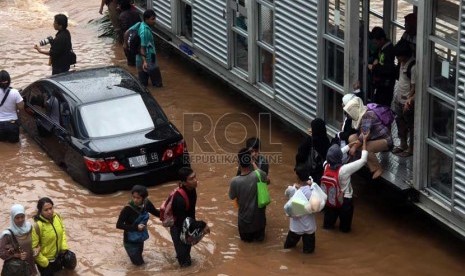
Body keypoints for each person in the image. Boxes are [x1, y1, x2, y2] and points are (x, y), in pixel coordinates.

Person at [323, 134, 368, 233]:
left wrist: (349, 145)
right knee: (345, 230)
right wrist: (364, 141)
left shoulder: (325, 165)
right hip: (345, 201)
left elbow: (337, 154)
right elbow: (363, 160)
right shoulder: (344, 170)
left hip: (330, 200)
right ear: (339, 157)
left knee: (327, 227)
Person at [344, 97, 392, 179]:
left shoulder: (367, 115)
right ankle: (363, 159)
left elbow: (364, 134)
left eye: (349, 113)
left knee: (366, 149)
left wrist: (354, 147)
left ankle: (377, 168)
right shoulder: (360, 115)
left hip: (384, 140)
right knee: (352, 138)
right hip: (373, 137)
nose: (348, 115)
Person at [229, 148, 267, 242]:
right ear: (250, 160)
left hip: (244, 223)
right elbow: (266, 180)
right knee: (260, 246)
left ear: (238, 162)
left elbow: (232, 196)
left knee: (246, 247)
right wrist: (253, 162)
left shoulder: (235, 181)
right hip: (260, 221)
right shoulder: (260, 175)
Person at [116, 185, 160, 266]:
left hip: (140, 239)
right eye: (134, 197)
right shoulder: (127, 209)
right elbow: (119, 225)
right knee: (140, 266)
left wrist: (167, 216)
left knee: (137, 262)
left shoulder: (146, 203)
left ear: (144, 198)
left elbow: (157, 213)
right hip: (130, 242)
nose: (135, 200)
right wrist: (136, 227)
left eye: (138, 198)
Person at [32, 197, 72, 276]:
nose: (49, 212)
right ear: (40, 211)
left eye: (51, 208)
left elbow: (62, 230)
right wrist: (44, 262)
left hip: (58, 257)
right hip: (46, 262)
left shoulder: (57, 216)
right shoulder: (37, 226)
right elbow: (33, 248)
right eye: (46, 210)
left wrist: (63, 247)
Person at [170, 167, 200, 267]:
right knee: (185, 264)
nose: (195, 180)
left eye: (195, 177)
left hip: (187, 226)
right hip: (178, 229)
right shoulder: (179, 199)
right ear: (183, 182)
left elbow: (192, 212)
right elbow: (181, 223)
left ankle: (181, 256)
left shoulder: (192, 190)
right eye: (191, 179)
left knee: (186, 255)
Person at [283, 165, 317, 254]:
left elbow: (286, 194)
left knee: (287, 250)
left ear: (297, 177)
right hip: (309, 227)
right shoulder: (313, 190)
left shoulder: (292, 190)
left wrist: (294, 186)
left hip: (296, 228)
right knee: (309, 254)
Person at [392, 40, 416, 157]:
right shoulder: (401, 63)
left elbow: (414, 87)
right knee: (399, 122)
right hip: (398, 98)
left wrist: (409, 100)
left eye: (399, 56)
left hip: (407, 102)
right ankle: (403, 144)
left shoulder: (413, 67)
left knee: (410, 125)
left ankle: (411, 148)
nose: (398, 58)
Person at [0, 204, 39, 275]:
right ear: (12, 218)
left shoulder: (29, 227)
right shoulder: (7, 234)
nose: (20, 220)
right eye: (17, 218)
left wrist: (37, 248)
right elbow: (1, 253)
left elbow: (36, 241)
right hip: (16, 268)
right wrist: (17, 255)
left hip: (30, 264)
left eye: (22, 217)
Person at [128, 9, 163, 87]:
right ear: (146, 19)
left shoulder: (139, 24)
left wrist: (125, 45)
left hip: (139, 60)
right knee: (158, 85)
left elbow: (127, 32)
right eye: (152, 19)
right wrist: (145, 61)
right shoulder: (145, 31)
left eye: (155, 18)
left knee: (143, 86)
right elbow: (142, 47)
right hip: (149, 60)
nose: (154, 21)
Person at [295, 118, 330, 184]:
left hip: (309, 174)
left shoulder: (309, 141)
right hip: (322, 174)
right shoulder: (326, 140)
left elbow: (300, 156)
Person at [368, 26, 396, 107]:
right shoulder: (382, 48)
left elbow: (388, 69)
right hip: (380, 84)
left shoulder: (388, 50)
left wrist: (373, 67)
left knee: (382, 106)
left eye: (376, 43)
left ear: (382, 39)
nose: (375, 45)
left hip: (385, 86)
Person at [0, 70, 23, 143]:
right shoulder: (15, 92)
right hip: (12, 124)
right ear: (9, 80)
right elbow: (21, 107)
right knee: (14, 146)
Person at [119, 0, 141, 66]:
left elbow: (124, 29)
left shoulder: (122, 16)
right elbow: (139, 23)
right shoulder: (136, 12)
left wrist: (124, 42)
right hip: (138, 36)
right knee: (139, 55)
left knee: (131, 61)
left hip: (129, 38)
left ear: (121, 7)